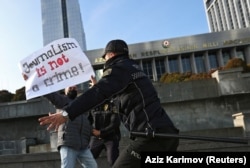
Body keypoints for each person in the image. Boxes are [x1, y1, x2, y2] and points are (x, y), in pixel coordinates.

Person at [39, 39, 179, 168]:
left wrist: (66, 113)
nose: (104, 59)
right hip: (166, 134)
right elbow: (109, 96)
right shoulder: (133, 69)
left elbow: (99, 93)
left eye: (105, 56)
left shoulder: (119, 68)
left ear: (110, 55)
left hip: (151, 137)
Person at [43, 86, 98, 168]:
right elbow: (49, 94)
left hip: (83, 146)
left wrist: (91, 130)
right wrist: (34, 82)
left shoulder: (81, 103)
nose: (73, 88)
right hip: (68, 144)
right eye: (70, 87)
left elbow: (85, 121)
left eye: (75, 87)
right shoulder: (62, 100)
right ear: (64, 90)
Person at [88, 97, 121, 167]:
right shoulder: (91, 105)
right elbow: (88, 121)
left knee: (113, 161)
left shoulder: (113, 104)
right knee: (88, 159)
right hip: (96, 137)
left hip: (111, 137)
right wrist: (92, 130)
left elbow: (115, 122)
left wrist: (101, 132)